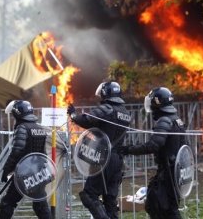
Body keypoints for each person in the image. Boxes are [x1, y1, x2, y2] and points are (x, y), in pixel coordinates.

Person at [67, 81, 131, 219]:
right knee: (110, 201)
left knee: (89, 195)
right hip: (118, 161)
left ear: (105, 93)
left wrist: (73, 115)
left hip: (103, 159)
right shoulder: (125, 112)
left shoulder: (107, 109)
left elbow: (87, 120)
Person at [120, 87, 186, 219]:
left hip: (168, 171)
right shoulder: (176, 119)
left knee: (161, 206)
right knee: (165, 206)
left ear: (157, 103)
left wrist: (128, 149)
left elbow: (153, 145)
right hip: (175, 170)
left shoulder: (165, 120)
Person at [0, 100, 52, 219]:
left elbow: (16, 152)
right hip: (37, 174)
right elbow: (43, 154)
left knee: (7, 203)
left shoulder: (22, 128)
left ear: (18, 113)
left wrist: (6, 170)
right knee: (40, 206)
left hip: (23, 174)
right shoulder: (40, 128)